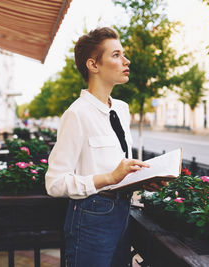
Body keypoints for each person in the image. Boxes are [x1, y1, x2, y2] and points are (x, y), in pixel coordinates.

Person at [45, 27, 151, 267]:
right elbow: (54, 183)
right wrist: (109, 177)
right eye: (116, 55)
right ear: (93, 65)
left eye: (123, 54)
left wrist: (144, 178)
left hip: (124, 210)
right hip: (91, 215)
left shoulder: (122, 109)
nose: (126, 60)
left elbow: (120, 167)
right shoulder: (76, 114)